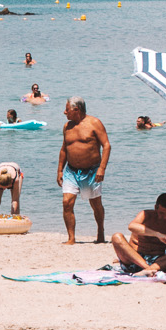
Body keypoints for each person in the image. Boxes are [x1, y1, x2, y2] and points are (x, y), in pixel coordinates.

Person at [57, 97, 110, 245]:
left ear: (76, 110)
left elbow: (106, 145)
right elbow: (64, 149)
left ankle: (100, 231)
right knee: (67, 202)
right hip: (71, 171)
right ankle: (71, 238)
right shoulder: (67, 126)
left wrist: (102, 168)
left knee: (95, 204)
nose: (64, 112)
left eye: (67, 109)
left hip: (92, 171)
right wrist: (60, 170)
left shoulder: (94, 123)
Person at [111, 192, 166, 274]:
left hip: (156, 261)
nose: (165, 217)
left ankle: (148, 270)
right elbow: (131, 226)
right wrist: (157, 234)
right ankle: (147, 269)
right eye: (161, 213)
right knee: (116, 237)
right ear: (156, 208)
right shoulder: (146, 215)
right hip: (132, 260)